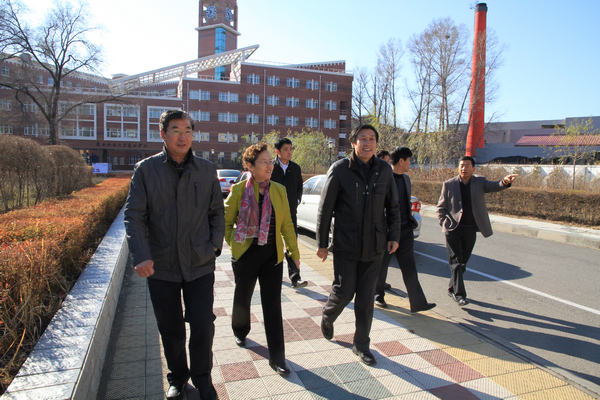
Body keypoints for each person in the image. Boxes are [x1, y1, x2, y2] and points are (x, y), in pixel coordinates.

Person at [124, 110, 224, 400]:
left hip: (199, 262)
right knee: (170, 327)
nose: (183, 136)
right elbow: (134, 215)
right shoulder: (146, 170)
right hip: (162, 264)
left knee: (203, 324)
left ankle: (203, 379)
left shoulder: (206, 169)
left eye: (188, 130)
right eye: (176, 130)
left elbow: (217, 212)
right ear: (163, 134)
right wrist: (141, 255)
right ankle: (178, 377)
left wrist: (214, 245)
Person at [316, 124, 400, 366]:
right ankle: (328, 315)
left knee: (365, 298)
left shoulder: (384, 169)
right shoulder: (340, 169)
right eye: (362, 138)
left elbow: (393, 207)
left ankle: (361, 344)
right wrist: (322, 243)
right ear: (353, 143)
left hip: (375, 246)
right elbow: (325, 209)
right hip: (346, 244)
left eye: (372, 138)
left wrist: (394, 236)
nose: (367, 143)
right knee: (344, 291)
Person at [224, 143, 300, 376]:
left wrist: (294, 254)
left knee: (273, 306)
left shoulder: (279, 189)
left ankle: (277, 358)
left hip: (271, 257)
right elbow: (225, 222)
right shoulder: (239, 190)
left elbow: (287, 224)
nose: (269, 166)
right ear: (250, 165)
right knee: (243, 296)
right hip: (246, 255)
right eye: (264, 162)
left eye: (270, 162)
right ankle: (240, 330)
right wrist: (235, 244)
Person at [437, 156, 518, 306]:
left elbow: (494, 186)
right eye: (461, 165)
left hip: (470, 229)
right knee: (456, 262)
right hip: (453, 229)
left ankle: (452, 288)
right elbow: (441, 207)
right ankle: (459, 295)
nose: (464, 168)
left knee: (463, 263)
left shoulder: (480, 182)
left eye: (467, 165)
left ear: (473, 168)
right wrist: (443, 222)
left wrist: (505, 182)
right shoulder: (449, 184)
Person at [375, 147, 437, 313]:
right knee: (382, 265)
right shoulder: (383, 178)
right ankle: (378, 295)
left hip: (405, 230)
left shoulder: (406, 179)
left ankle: (418, 303)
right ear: (401, 161)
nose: (411, 163)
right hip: (388, 231)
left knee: (409, 266)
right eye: (409, 160)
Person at [271, 137, 307, 288]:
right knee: (273, 244)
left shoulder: (295, 168)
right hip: (272, 213)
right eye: (286, 149)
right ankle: (273, 275)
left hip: (290, 213)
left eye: (291, 149)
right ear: (277, 151)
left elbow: (299, 186)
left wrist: (297, 200)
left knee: (292, 244)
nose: (289, 152)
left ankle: (295, 277)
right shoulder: (271, 167)